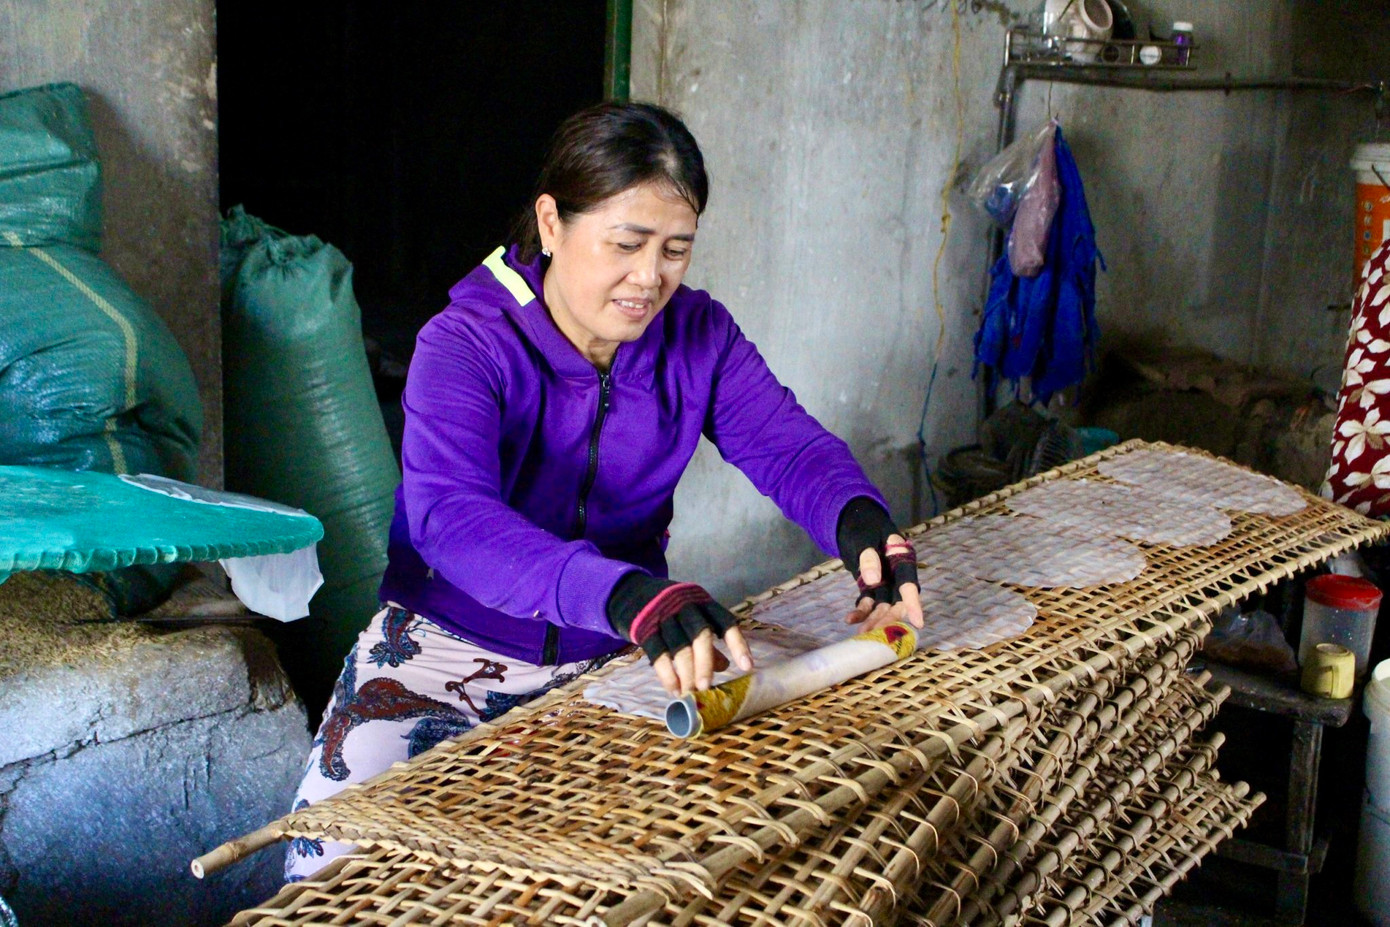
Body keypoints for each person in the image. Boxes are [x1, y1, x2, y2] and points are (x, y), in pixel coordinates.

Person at [285, 101, 922, 881]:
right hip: (441, 656)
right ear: (551, 223)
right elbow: (453, 520)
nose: (650, 277)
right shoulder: (465, 343)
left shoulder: (700, 336)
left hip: (618, 665)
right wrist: (624, 594)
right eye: (626, 244)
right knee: (334, 871)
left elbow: (788, 449)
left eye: (676, 250)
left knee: (672, 872)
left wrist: (861, 523)